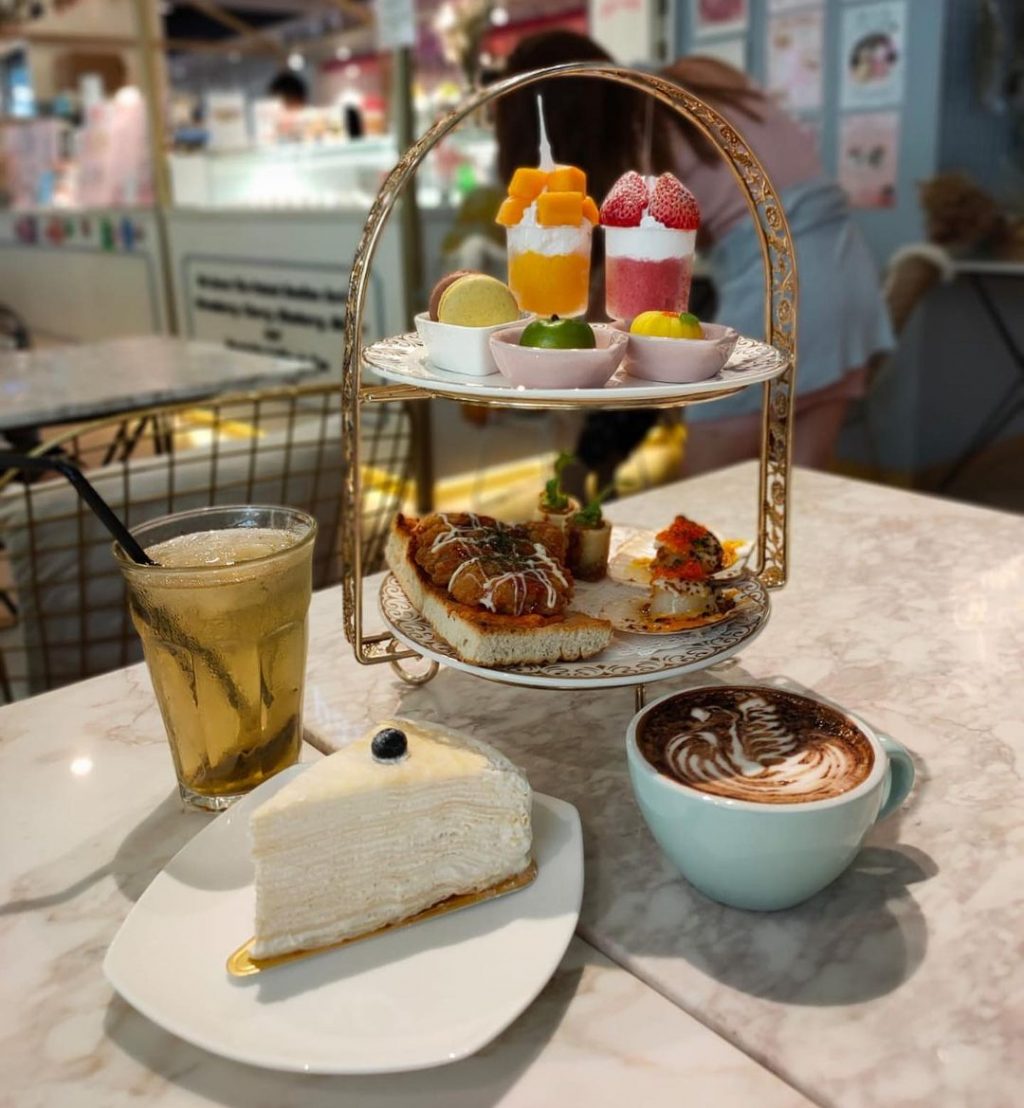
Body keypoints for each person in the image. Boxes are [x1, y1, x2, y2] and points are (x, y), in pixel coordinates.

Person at [493, 32, 894, 481]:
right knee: (798, 487)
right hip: (849, 273)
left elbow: (626, 301)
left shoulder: (641, 142)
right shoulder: (705, 76)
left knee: (705, 487)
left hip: (776, 290)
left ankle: (586, 473)